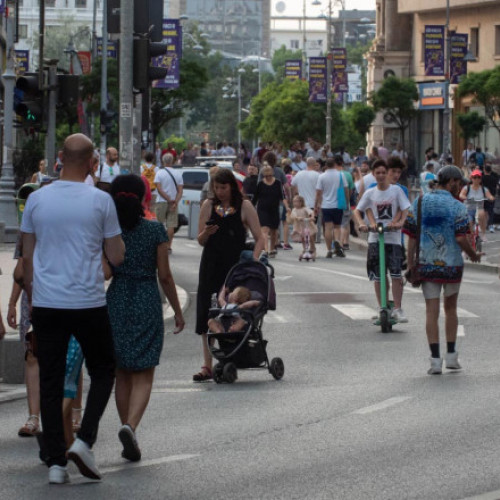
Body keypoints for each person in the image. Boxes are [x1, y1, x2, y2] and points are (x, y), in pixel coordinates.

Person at [21, 133, 125, 484]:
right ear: (94, 162)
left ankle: (54, 463)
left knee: (50, 380)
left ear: (60, 158)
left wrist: (33, 299)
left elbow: (28, 258)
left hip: (48, 302)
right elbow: (116, 256)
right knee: (104, 369)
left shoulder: (36, 199)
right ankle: (84, 439)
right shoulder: (100, 201)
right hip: (87, 301)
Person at [105, 174, 185, 462]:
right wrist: (177, 310)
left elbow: (105, 270)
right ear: (144, 198)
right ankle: (131, 427)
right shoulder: (155, 230)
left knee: (122, 372)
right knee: (144, 371)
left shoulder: (109, 231)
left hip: (115, 299)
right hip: (145, 298)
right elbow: (164, 275)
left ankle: (126, 425)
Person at [403, 166, 482, 374]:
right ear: (452, 181)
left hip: (427, 264)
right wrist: (473, 254)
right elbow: (460, 238)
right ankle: (452, 356)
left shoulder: (419, 202)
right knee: (451, 309)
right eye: (460, 183)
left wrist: (410, 262)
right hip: (452, 265)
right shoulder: (457, 207)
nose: (461, 187)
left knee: (431, 310)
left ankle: (435, 360)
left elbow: (410, 236)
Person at [194, 169, 265, 382]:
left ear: (232, 186)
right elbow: (200, 240)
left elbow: (259, 237)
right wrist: (205, 233)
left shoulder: (244, 206)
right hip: (210, 265)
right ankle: (207, 364)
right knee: (208, 312)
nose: (220, 192)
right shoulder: (208, 206)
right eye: (216, 188)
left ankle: (232, 355)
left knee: (232, 310)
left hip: (234, 268)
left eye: (223, 188)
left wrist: (252, 260)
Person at [354, 159, 410, 323]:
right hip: (375, 238)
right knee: (378, 275)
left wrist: (399, 222)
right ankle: (382, 307)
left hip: (393, 238)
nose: (380, 175)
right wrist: (363, 224)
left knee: (395, 273)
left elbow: (405, 208)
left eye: (383, 173)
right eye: (377, 173)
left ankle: (398, 308)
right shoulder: (370, 193)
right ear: (373, 174)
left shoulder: (396, 190)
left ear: (387, 173)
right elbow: (359, 210)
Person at [315, 157, 349, 258]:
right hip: (338, 205)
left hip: (326, 205)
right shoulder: (341, 175)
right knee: (337, 226)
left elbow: (318, 192)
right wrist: (347, 201)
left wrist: (317, 204)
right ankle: (337, 241)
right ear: (335, 164)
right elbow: (346, 189)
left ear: (326, 165)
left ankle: (329, 249)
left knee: (328, 228)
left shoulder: (322, 176)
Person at [254, 165, 289, 257]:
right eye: (266, 176)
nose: (268, 177)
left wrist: (287, 207)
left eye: (269, 175)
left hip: (274, 209)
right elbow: (255, 199)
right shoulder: (260, 184)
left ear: (272, 174)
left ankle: (272, 248)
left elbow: (283, 197)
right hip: (262, 209)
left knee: (274, 231)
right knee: (264, 230)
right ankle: (265, 250)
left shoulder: (277, 183)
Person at [154, 153, 183, 253]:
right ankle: (168, 246)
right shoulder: (178, 173)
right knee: (171, 225)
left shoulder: (159, 173)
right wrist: (175, 201)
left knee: (159, 224)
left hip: (161, 202)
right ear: (173, 161)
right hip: (173, 203)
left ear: (163, 161)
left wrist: (167, 199)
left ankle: (158, 245)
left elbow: (159, 188)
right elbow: (180, 190)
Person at [459, 169, 495, 241]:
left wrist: (490, 198)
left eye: (478, 177)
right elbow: (461, 195)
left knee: (482, 214)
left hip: (479, 208)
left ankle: (483, 234)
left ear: (481, 179)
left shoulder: (483, 189)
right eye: (474, 177)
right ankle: (471, 236)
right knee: (469, 222)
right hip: (468, 209)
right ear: (471, 178)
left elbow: (490, 196)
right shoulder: (467, 188)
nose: (476, 179)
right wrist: (466, 198)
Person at [481, 164, 498, 232]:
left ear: (484, 170)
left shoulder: (482, 178)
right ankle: (490, 225)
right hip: (492, 196)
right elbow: (496, 186)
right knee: (490, 211)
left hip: (483, 196)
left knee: (483, 210)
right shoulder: (494, 178)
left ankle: (483, 225)